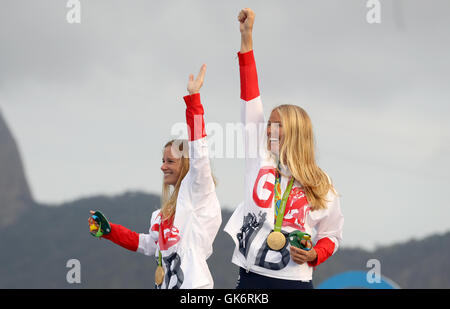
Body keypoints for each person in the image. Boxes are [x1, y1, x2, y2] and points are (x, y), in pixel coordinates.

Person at [224, 8, 344, 289]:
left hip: (295, 280)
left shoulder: (320, 182)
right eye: (268, 124)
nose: (268, 130)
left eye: (276, 126)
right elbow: (250, 98)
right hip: (251, 279)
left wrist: (316, 253)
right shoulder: (260, 159)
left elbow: (332, 233)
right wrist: (247, 40)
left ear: (295, 132)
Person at [88, 64, 222, 289]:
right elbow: (149, 245)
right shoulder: (161, 214)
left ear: (187, 164)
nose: (163, 167)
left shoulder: (199, 191)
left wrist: (194, 100)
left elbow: (200, 151)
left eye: (170, 161)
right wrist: (110, 231)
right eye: (162, 161)